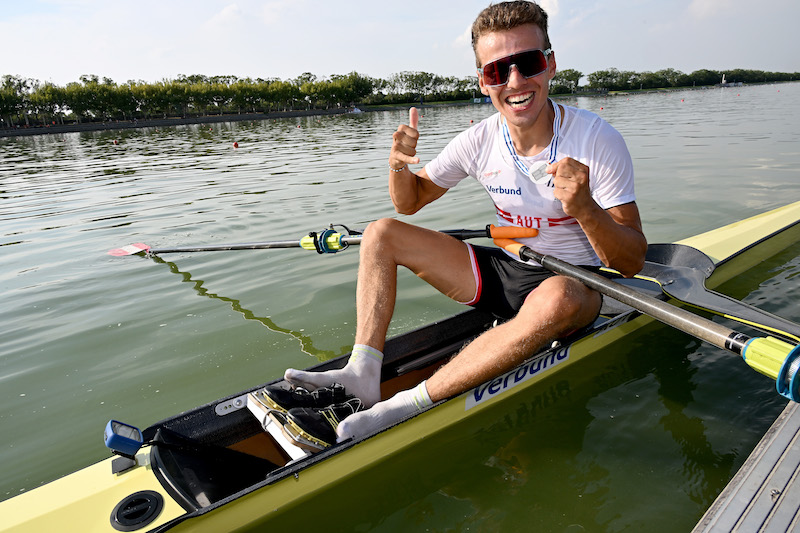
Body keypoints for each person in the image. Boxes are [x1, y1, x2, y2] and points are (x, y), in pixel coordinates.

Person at [271, 0, 647, 449]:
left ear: (549, 65)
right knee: (380, 232)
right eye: (496, 71)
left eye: (527, 63)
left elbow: (631, 260)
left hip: (575, 285)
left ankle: (406, 406)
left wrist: (585, 207)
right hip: (510, 269)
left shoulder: (597, 139)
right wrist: (398, 166)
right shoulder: (479, 139)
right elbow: (409, 204)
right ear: (483, 82)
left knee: (560, 295)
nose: (514, 82)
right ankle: (363, 371)